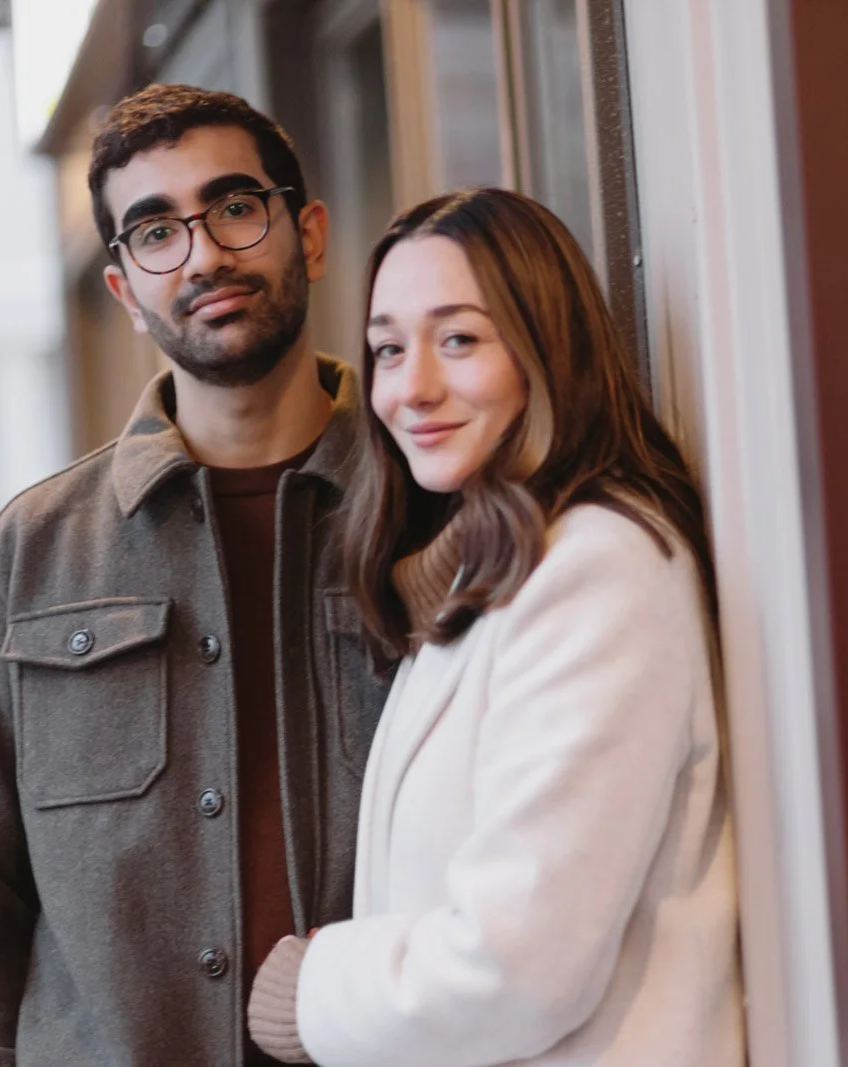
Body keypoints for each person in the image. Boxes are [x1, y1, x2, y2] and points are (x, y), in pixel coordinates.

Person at [0, 84, 386, 1065]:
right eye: (155, 231)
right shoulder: (24, 561)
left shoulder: (433, 514)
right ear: (125, 290)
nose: (203, 254)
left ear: (309, 230)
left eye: (236, 208)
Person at [244, 188, 744, 1065]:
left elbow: (521, 961)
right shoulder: (488, 567)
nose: (412, 388)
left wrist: (317, 985)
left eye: (460, 338)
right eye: (389, 350)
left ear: (545, 343)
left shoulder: (596, 567)